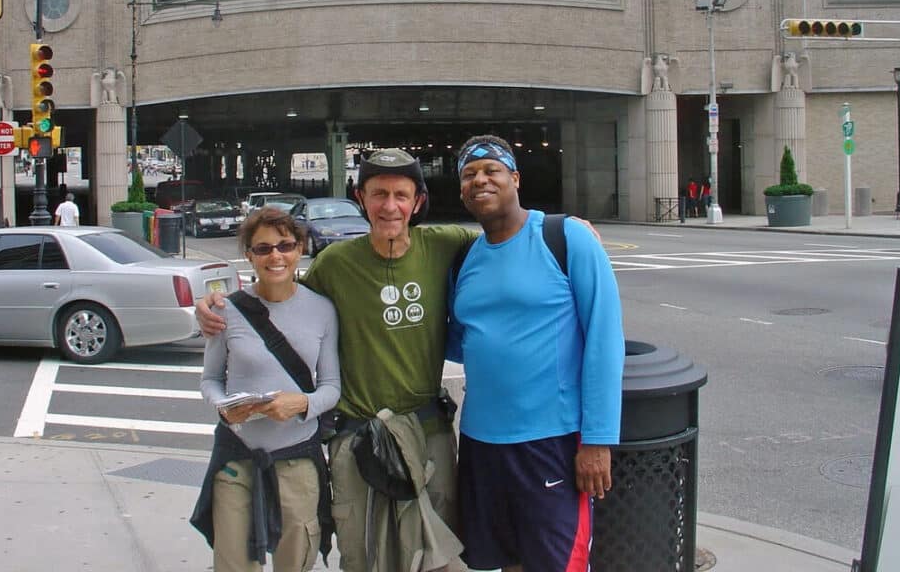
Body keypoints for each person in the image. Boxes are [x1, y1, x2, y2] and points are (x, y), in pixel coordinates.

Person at [198, 148, 471, 572]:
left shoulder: (444, 244)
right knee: (360, 556)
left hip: (426, 433)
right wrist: (216, 305)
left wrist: (563, 228)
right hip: (356, 439)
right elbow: (283, 297)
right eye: (379, 194)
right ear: (361, 197)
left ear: (418, 201)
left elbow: (509, 231)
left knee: (435, 558)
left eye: (401, 194)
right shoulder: (335, 263)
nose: (390, 206)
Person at [447, 135, 625, 572]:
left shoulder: (565, 238)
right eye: (469, 174)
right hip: (481, 443)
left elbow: (605, 340)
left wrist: (599, 440)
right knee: (505, 562)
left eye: (492, 170)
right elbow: (460, 340)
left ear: (516, 178)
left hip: (553, 442)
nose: (480, 180)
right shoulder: (465, 256)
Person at [190, 207, 340, 572]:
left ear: (300, 248)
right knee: (233, 563)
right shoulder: (226, 311)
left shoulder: (322, 310)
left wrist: (302, 403)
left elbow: (332, 387)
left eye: (285, 246)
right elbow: (209, 379)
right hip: (237, 458)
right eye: (263, 249)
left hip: (298, 459)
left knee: (295, 560)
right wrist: (224, 406)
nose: (276, 256)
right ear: (249, 255)